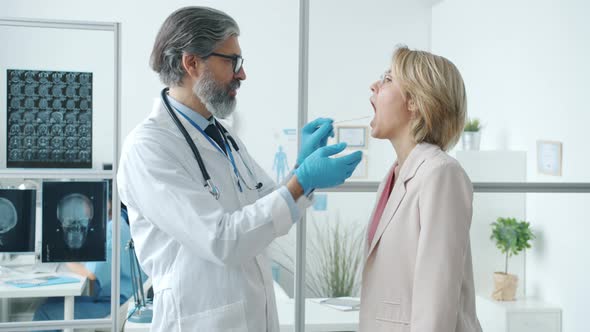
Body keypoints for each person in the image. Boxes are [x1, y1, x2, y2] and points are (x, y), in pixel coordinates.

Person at [117, 6, 362, 332]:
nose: (242, 74)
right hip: (200, 320)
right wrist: (302, 180)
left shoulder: (222, 135)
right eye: (232, 61)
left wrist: (301, 170)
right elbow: (221, 239)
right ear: (192, 63)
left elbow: (263, 209)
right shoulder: (147, 148)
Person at [359, 46, 482, 332]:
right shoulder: (394, 177)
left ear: (414, 101)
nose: (374, 85)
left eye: (388, 79)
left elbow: (435, 307)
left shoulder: (441, 174)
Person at [33, 199, 145, 328]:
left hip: (115, 307)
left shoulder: (112, 227)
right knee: (53, 302)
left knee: (44, 313)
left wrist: (60, 260)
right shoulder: (121, 222)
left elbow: (92, 277)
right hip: (118, 299)